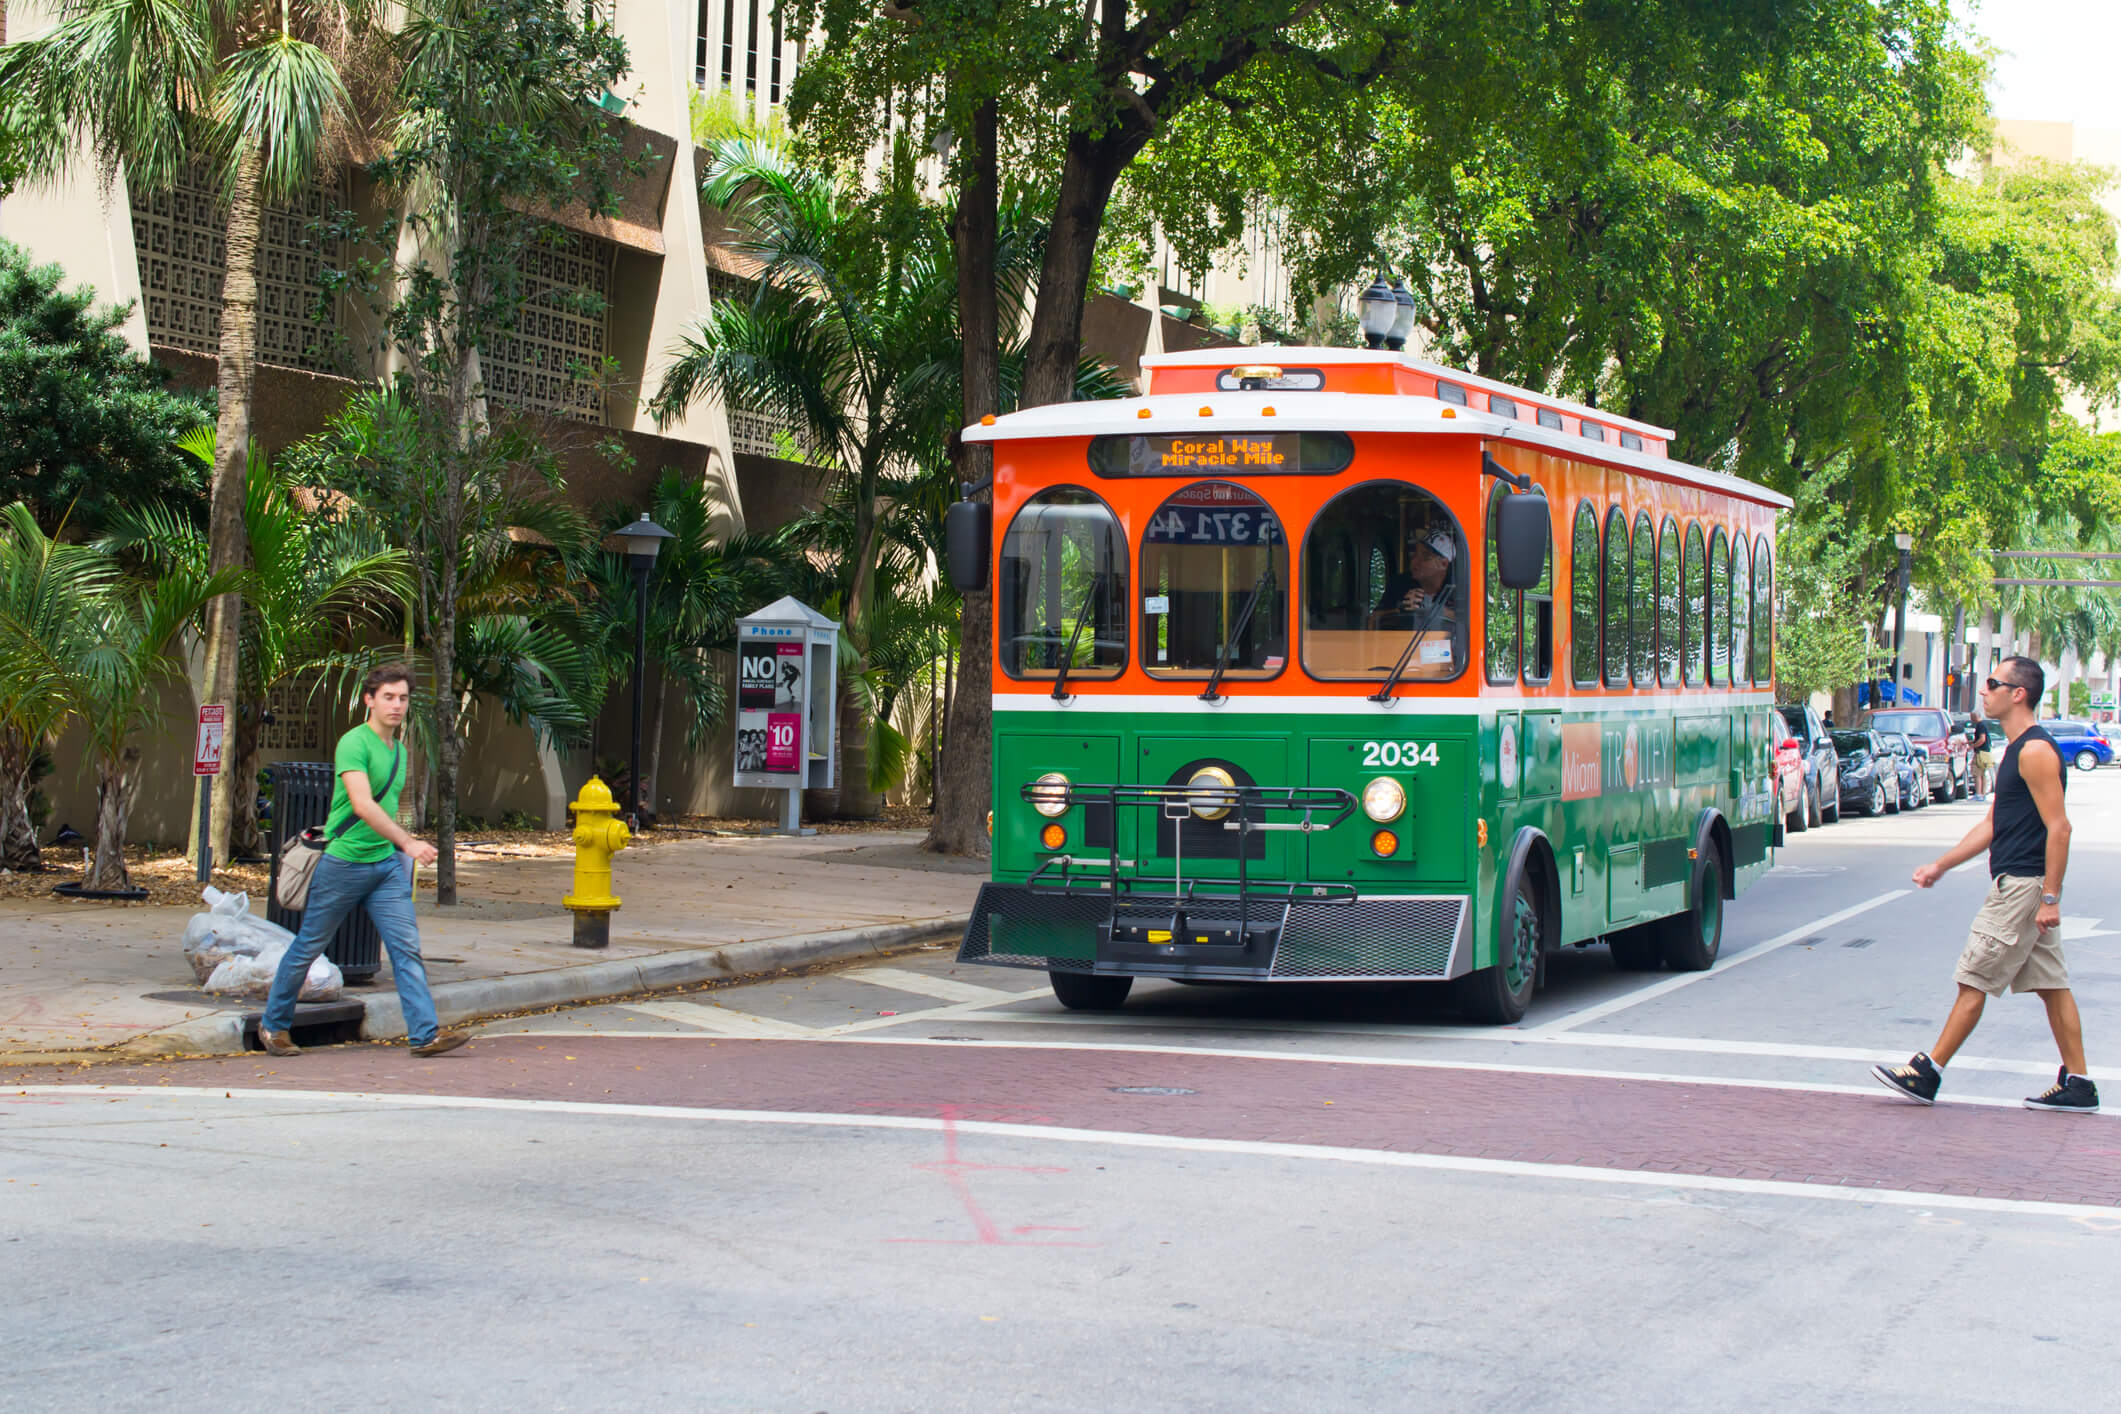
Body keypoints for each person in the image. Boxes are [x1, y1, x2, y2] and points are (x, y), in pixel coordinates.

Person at [1872, 656, 2095, 1111]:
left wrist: (2049, 897)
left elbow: (2060, 828)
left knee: (1973, 978)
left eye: (1993, 683)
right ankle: (2079, 1084)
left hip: (2023, 888)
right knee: (2053, 987)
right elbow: (1994, 823)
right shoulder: (2015, 751)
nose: (1984, 690)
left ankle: (1927, 1071)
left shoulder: (2034, 751)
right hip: (2024, 884)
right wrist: (1941, 865)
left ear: (2018, 694)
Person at [260, 664, 467, 1059]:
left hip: (385, 866)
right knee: (309, 946)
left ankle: (424, 1035)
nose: (397, 705)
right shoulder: (353, 743)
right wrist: (407, 843)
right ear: (370, 700)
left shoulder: (400, 751)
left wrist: (398, 851)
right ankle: (274, 1026)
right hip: (344, 864)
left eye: (403, 698)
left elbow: (389, 805)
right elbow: (362, 803)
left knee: (406, 948)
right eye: (388, 697)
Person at [1372, 531, 1459, 624]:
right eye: (1414, 553)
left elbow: (1471, 622)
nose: (1415, 560)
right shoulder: (1399, 583)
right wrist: (1400, 610)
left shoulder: (1458, 589)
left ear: (1443, 564)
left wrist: (1437, 610)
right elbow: (1373, 619)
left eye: (1425, 556)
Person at [1968, 709, 1995, 800]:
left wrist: (1973, 746)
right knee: (1982, 774)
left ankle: (1978, 794)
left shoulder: (1980, 726)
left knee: (1977, 773)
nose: (1970, 718)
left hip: (1980, 753)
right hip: (1985, 753)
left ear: (1975, 716)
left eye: (1971, 716)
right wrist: (1972, 741)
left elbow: (1982, 739)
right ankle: (1983, 794)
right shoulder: (1983, 725)